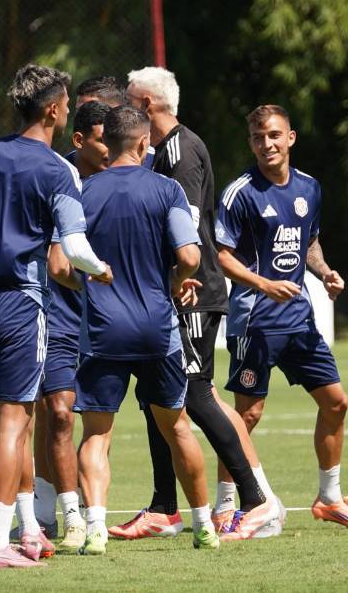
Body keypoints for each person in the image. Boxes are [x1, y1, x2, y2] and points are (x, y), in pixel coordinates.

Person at [0, 64, 112, 568]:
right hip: (20, 303)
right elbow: (73, 247)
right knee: (14, 424)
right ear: (55, 109)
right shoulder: (59, 169)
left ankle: (27, 528)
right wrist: (98, 269)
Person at [115, 66, 278, 540]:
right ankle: (164, 507)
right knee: (156, 399)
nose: (124, 108)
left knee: (195, 393)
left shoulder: (181, 151)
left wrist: (174, 279)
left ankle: (256, 499)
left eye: (129, 100)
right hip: (167, 291)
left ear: (147, 106)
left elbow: (183, 231)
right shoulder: (159, 151)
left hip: (191, 292)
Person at [217, 104, 348, 532]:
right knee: (246, 415)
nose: (266, 144)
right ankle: (226, 505)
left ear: (291, 138)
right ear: (250, 143)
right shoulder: (240, 193)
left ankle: (329, 499)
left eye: (273, 135)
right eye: (257, 138)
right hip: (255, 320)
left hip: (299, 319)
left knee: (336, 402)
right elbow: (222, 256)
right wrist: (262, 284)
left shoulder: (310, 188)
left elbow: (310, 244)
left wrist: (325, 273)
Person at [68, 105, 219, 555]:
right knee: (177, 428)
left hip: (102, 330)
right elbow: (191, 257)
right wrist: (175, 282)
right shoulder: (166, 189)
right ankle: (203, 525)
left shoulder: (82, 191)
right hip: (157, 328)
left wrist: (91, 280)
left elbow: (62, 261)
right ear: (141, 143)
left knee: (97, 434)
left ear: (105, 143)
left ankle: (95, 528)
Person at [31, 100, 113, 550]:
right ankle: (64, 514)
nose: (111, 148)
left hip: (106, 322)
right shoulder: (59, 178)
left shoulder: (121, 178)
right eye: (103, 139)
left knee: (99, 424)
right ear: (79, 140)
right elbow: (59, 264)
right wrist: (101, 284)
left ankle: (94, 513)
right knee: (58, 413)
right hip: (58, 316)